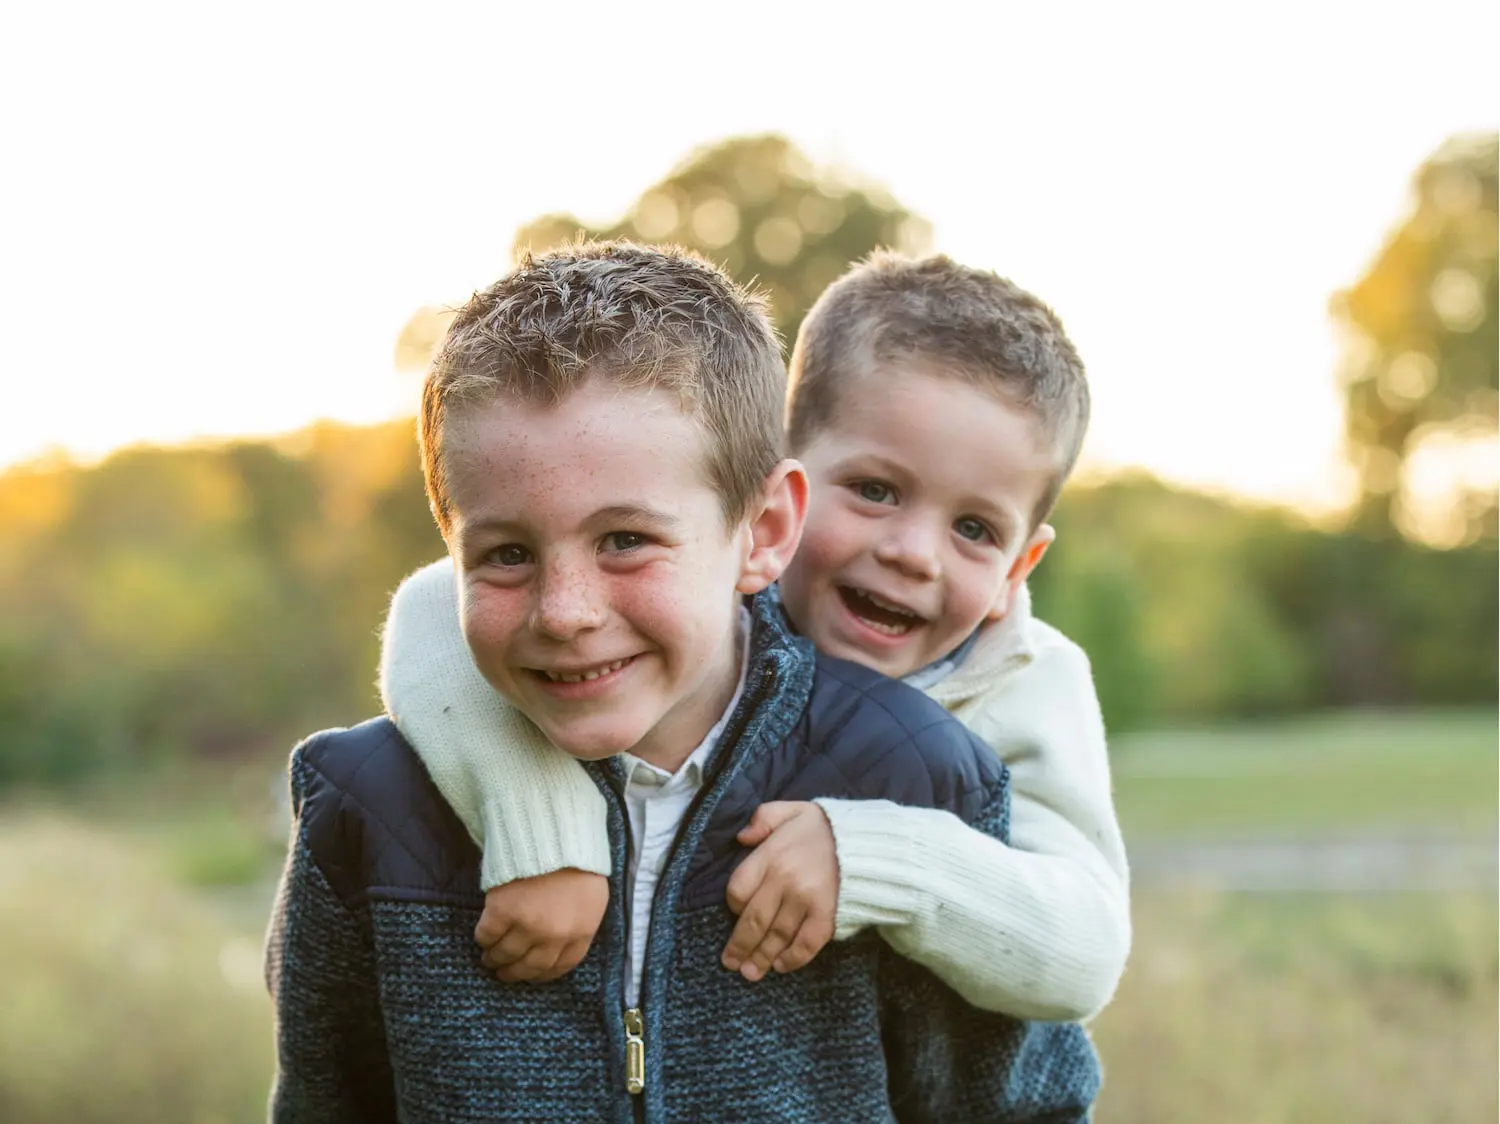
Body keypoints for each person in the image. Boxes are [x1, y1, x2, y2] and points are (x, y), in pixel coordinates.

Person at [266, 242, 1117, 1124]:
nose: (566, 609)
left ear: (764, 525)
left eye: (627, 540)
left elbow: (1024, 1120)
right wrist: (537, 824)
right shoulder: (375, 808)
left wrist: (880, 857)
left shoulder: (940, 764)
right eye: (507, 554)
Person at [382, 251, 1129, 1020]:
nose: (913, 551)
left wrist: (871, 858)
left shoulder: (1030, 681)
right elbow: (434, 609)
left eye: (974, 528)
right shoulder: (709, 578)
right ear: (772, 486)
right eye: (875, 490)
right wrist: (543, 827)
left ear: (1019, 565)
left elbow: (1084, 953)